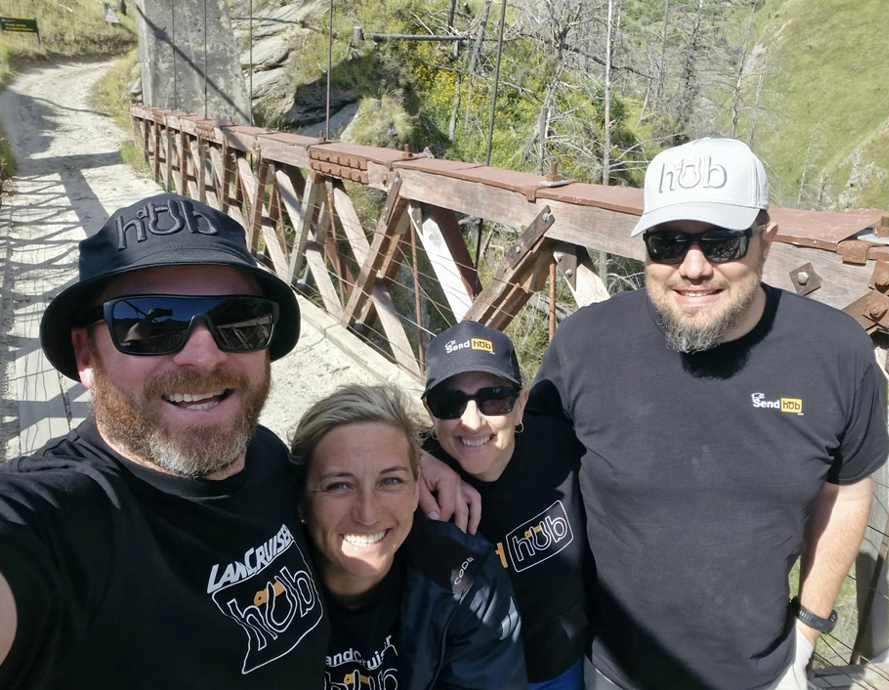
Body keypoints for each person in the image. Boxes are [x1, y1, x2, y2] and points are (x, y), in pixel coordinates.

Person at [523, 137, 889, 689]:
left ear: (768, 241)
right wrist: (430, 460)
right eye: (668, 242)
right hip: (609, 670)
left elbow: (848, 488)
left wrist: (808, 631)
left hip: (761, 674)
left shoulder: (836, 352)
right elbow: (515, 454)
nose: (693, 268)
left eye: (722, 244)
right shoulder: (585, 342)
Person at [0, 193, 329, 688]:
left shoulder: (262, 450)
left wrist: (422, 461)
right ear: (86, 355)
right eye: (150, 322)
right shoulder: (60, 519)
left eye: (239, 320)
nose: (205, 356)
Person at [290, 383, 528, 690]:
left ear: (417, 489)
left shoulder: (467, 582)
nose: (368, 513)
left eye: (390, 480)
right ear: (300, 500)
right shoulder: (252, 584)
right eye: (339, 485)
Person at [421, 320, 589, 690]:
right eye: (448, 403)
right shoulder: (418, 484)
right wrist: (410, 452)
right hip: (475, 677)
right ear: (430, 413)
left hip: (565, 667)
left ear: (521, 405)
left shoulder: (559, 443)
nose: (471, 421)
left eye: (494, 398)